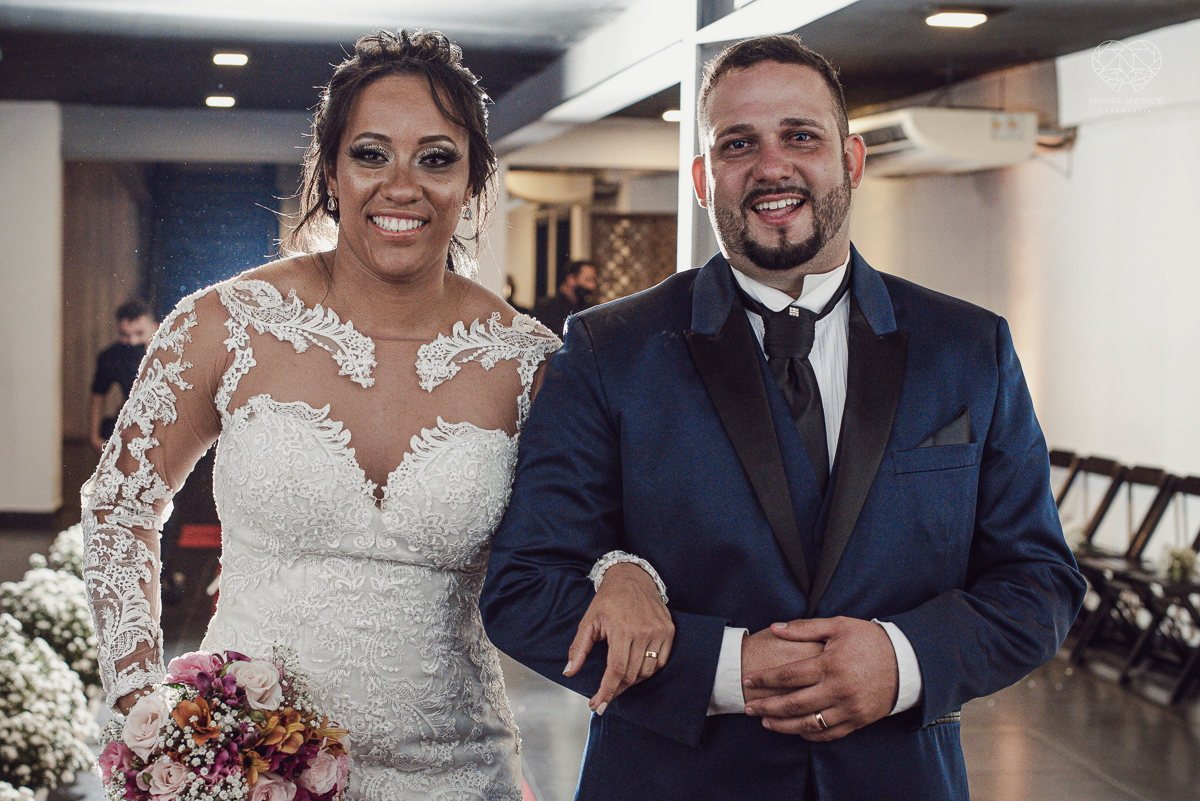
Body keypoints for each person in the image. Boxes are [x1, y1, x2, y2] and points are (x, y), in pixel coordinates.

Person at [481, 34, 1086, 800]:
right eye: (739, 144)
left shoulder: (970, 348)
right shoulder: (610, 348)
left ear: (851, 160)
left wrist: (901, 660)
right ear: (703, 179)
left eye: (800, 136)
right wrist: (732, 667)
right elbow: (525, 587)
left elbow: (1038, 584)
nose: (772, 166)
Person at [82, 30, 661, 800]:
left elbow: (596, 528)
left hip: (458, 772)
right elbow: (119, 505)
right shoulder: (225, 324)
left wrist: (623, 569)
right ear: (330, 170)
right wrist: (139, 700)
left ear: (473, 179)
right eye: (371, 153)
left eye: (436, 157)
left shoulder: (530, 363)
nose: (402, 185)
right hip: (253, 767)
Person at [88, 299, 155, 451]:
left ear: (155, 327)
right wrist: (94, 437)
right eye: (125, 335)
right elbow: (97, 396)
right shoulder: (111, 356)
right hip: (135, 426)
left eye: (139, 333)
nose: (133, 341)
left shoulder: (173, 350)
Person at [532, 259, 597, 336]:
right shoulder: (546, 307)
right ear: (571, 279)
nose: (592, 286)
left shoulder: (590, 309)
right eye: (588, 280)